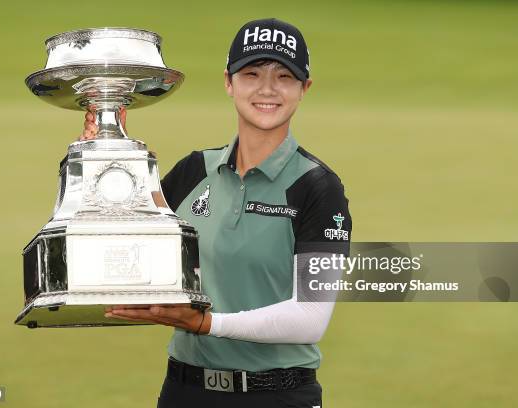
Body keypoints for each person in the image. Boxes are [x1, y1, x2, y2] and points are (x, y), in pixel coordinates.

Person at [81, 18, 352, 408]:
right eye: (252, 73)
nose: (267, 89)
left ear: (303, 88)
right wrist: (103, 155)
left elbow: (311, 316)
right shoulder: (194, 171)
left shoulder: (319, 189)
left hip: (279, 396)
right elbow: (129, 233)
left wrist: (206, 323)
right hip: (184, 391)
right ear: (228, 82)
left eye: (284, 76)